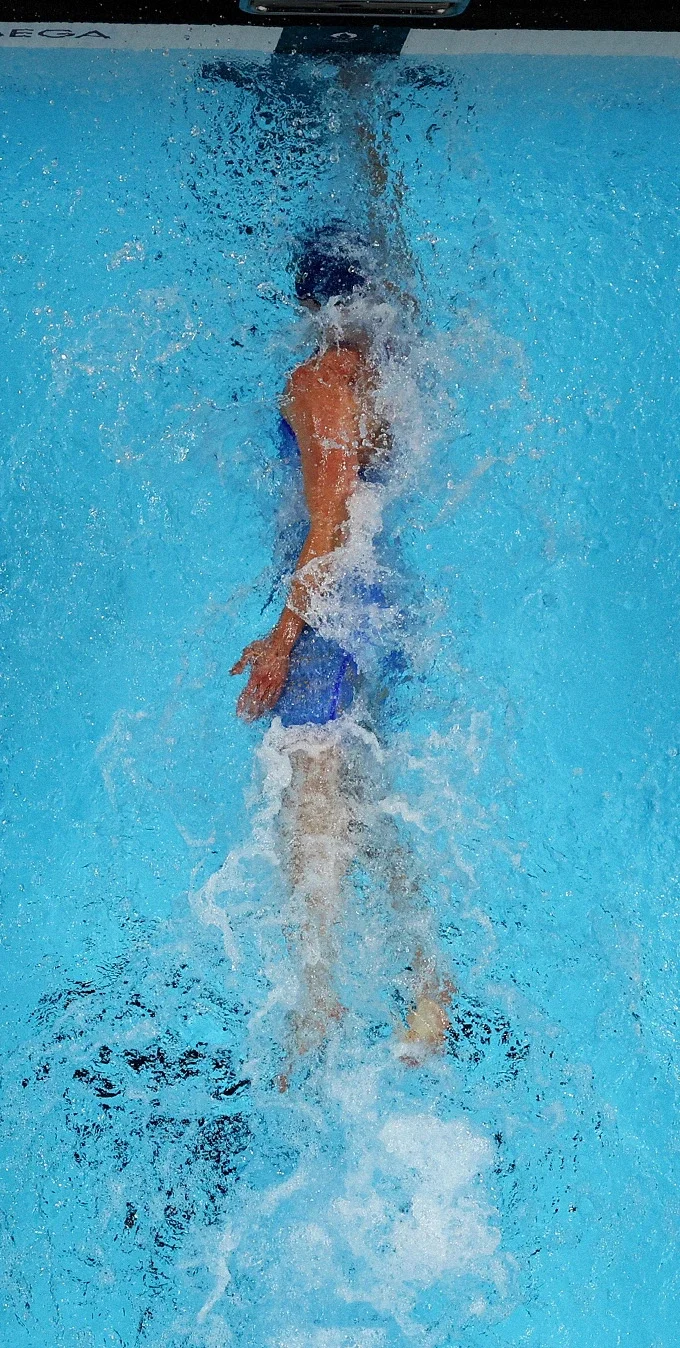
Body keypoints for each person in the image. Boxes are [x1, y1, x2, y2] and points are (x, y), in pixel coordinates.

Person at [231, 226, 452, 1081]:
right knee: (364, 783)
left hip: (333, 612)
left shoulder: (321, 381)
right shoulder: (388, 380)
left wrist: (281, 641)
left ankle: (318, 999)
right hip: (381, 598)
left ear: (306, 305)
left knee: (307, 789)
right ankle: (429, 981)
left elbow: (325, 525)